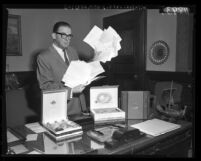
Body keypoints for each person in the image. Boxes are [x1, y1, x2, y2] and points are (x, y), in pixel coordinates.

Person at [36, 21, 87, 116]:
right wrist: (71, 91)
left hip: (80, 105)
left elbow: (79, 74)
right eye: (63, 35)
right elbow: (46, 87)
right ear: (54, 36)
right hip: (60, 109)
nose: (67, 39)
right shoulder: (43, 57)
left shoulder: (73, 51)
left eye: (69, 36)